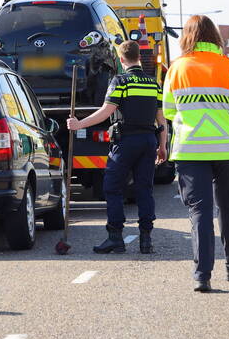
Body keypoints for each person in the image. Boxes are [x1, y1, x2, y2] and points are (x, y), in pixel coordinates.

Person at [163, 15, 229, 292]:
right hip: (226, 148)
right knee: (228, 208)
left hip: (191, 149)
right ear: (214, 36)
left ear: (187, 37)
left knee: (199, 211)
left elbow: (169, 110)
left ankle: (202, 275)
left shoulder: (176, 68)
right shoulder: (228, 66)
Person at [67, 40, 168, 255]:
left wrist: (79, 124)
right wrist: (162, 146)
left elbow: (105, 112)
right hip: (148, 141)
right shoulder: (153, 84)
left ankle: (115, 238)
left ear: (122, 60)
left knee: (112, 188)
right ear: (139, 57)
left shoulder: (120, 81)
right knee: (145, 189)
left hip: (126, 142)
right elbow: (162, 121)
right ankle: (146, 240)